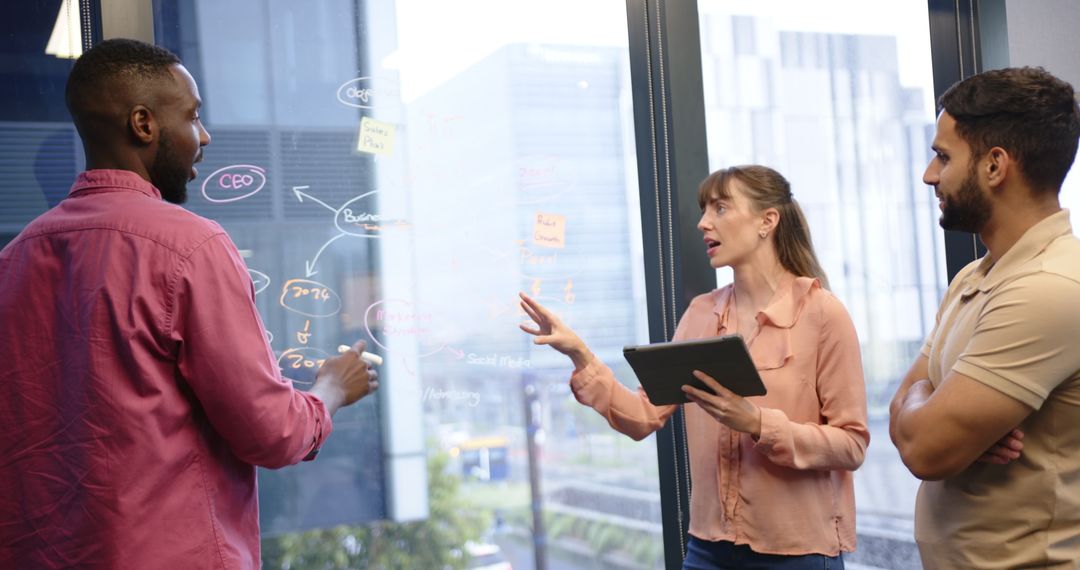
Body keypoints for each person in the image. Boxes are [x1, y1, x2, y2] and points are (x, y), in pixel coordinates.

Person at [0, 39, 378, 568]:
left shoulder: (14, 259)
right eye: (193, 116)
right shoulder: (190, 246)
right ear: (143, 124)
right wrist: (333, 387)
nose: (204, 136)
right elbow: (272, 433)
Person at [520, 165, 869, 569]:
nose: (704, 223)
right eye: (704, 210)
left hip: (797, 554)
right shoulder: (701, 314)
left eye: (720, 208)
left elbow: (852, 445)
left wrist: (758, 423)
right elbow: (643, 416)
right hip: (708, 550)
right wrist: (581, 354)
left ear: (767, 221)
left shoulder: (823, 314)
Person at [889, 66, 1080, 569]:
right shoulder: (973, 277)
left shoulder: (1049, 287)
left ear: (995, 166)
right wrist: (929, 401)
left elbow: (924, 450)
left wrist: (927, 404)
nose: (929, 175)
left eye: (943, 156)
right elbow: (901, 416)